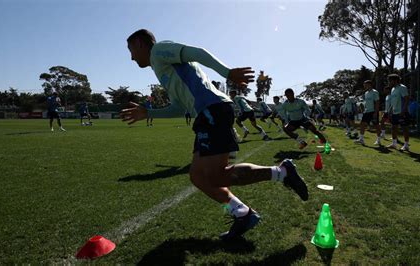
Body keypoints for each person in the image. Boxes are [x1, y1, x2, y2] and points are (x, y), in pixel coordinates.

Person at [120, 29, 308, 241]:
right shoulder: (159, 67)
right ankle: (242, 213)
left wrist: (227, 72)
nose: (131, 57)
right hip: (206, 114)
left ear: (141, 44)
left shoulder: (159, 50)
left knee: (215, 176)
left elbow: (197, 52)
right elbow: (179, 108)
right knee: (198, 177)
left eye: (131, 50)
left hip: (213, 110)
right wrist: (148, 113)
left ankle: (281, 172)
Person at [387, 74, 410, 151]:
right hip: (394, 112)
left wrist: (403, 111)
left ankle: (406, 145)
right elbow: (393, 101)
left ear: (395, 80)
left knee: (404, 129)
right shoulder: (392, 89)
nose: (389, 82)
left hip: (401, 112)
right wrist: (390, 110)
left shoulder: (402, 88)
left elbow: (406, 99)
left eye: (390, 80)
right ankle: (394, 144)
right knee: (393, 128)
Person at [354, 80, 381, 145]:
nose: (364, 86)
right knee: (362, 124)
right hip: (367, 111)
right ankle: (361, 139)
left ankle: (378, 140)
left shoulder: (375, 92)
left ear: (370, 85)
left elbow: (377, 102)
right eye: (364, 85)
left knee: (376, 126)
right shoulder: (366, 93)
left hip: (373, 111)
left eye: (365, 85)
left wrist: (375, 112)